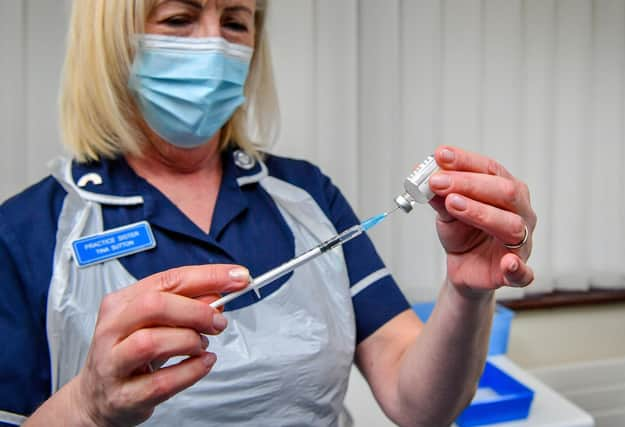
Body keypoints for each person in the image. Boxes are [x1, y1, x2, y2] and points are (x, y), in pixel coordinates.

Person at [0, 0, 536, 426]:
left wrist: (468, 292)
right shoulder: (27, 231)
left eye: (236, 20)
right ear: (111, 41)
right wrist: (88, 408)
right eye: (180, 17)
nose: (213, 44)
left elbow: (417, 404)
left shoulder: (305, 194)